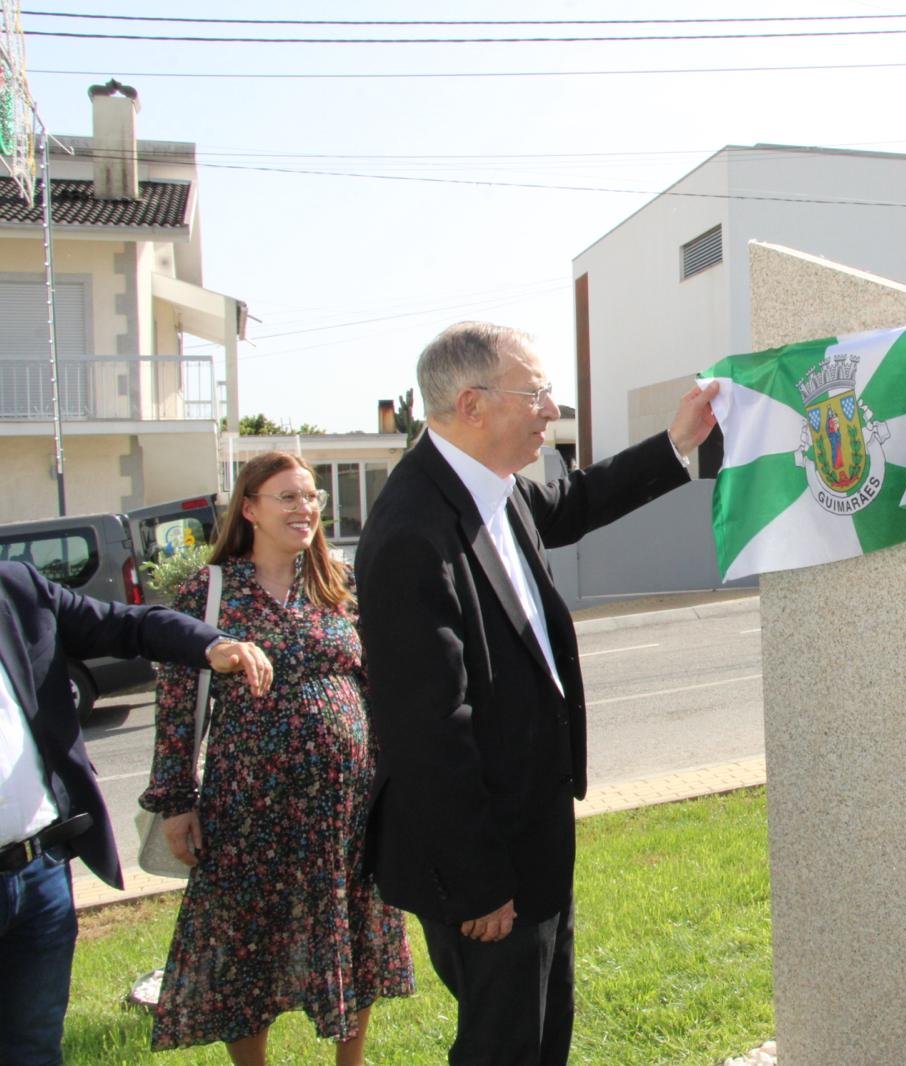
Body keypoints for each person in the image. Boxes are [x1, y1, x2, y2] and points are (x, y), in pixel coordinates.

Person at [356, 321, 719, 1066]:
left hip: (532, 825)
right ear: (472, 404)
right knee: (504, 1046)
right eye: (537, 393)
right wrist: (479, 884)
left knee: (545, 1029)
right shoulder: (411, 534)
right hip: (484, 859)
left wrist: (677, 440)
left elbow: (572, 504)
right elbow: (429, 733)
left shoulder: (493, 487)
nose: (553, 410)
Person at [140, 452, 414, 1065]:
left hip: (346, 811)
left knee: (350, 936)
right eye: (287, 496)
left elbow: (377, 685)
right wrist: (176, 802)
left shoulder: (340, 585)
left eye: (312, 497)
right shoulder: (210, 593)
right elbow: (177, 707)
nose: (305, 508)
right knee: (247, 953)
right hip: (249, 814)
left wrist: (395, 780)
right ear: (250, 509)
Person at [0, 560, 271, 1066]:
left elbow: (131, 624)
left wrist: (212, 645)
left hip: (38, 875)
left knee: (33, 1048)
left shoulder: (14, 588)